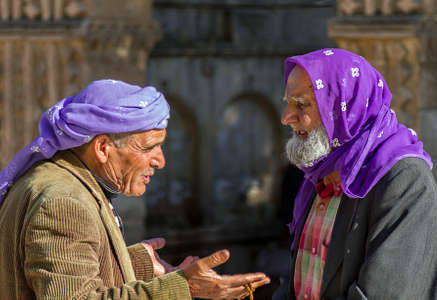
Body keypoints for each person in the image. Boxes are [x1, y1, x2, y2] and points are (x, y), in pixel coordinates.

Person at [0, 80, 270, 299]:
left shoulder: (69, 183)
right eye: (148, 147)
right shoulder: (64, 202)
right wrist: (183, 287)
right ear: (103, 148)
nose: (160, 161)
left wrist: (135, 264)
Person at [275, 48, 437, 300]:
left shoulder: (404, 180)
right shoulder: (322, 171)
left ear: (342, 109)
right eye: (288, 104)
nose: (286, 118)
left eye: (301, 105)